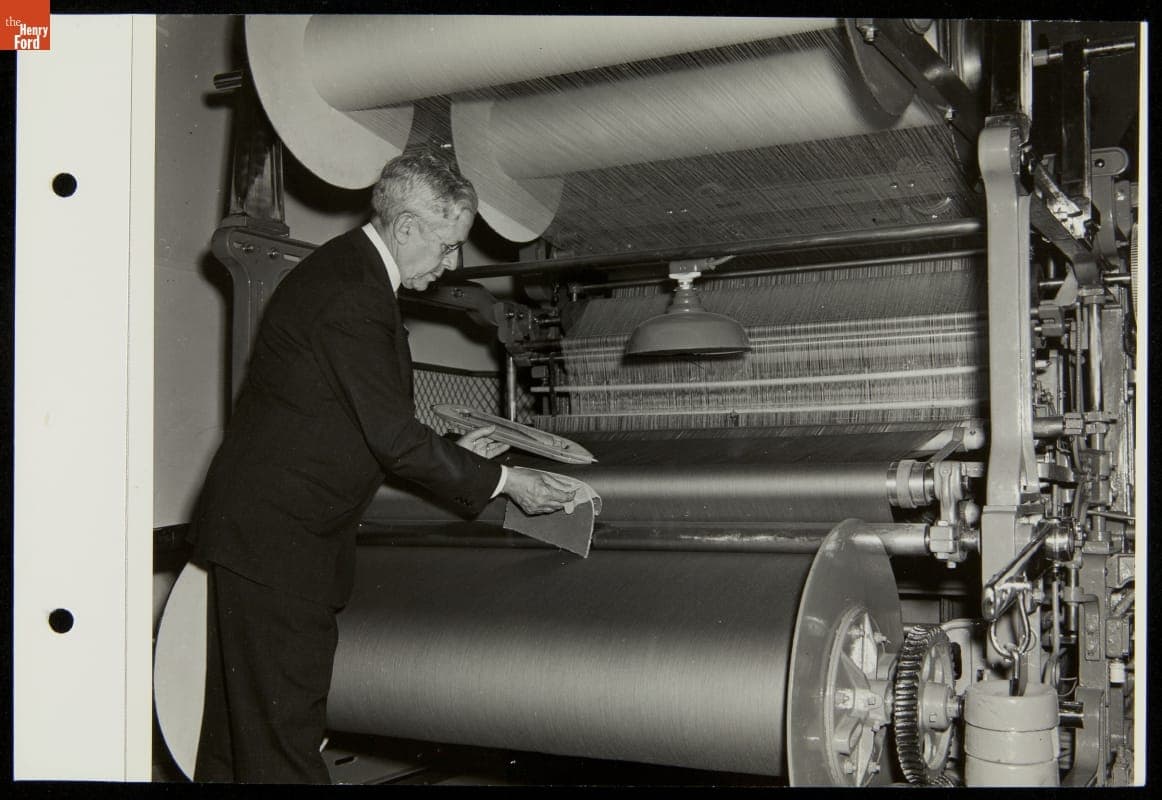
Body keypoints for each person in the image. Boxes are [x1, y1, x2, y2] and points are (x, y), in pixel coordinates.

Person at [186, 150, 577, 783]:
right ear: (407, 228)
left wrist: (453, 457)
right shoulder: (353, 295)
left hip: (260, 536)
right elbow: (391, 436)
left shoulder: (346, 277)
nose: (452, 263)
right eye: (448, 246)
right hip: (281, 544)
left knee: (239, 742)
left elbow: (345, 421)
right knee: (282, 744)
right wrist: (511, 482)